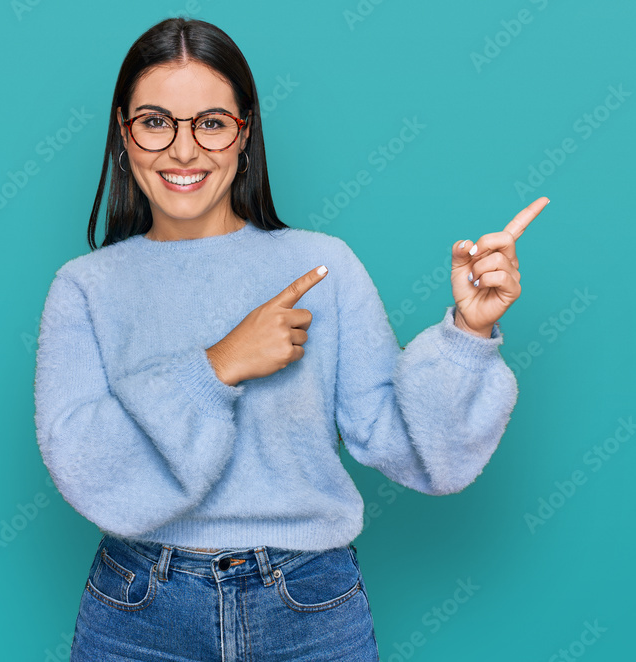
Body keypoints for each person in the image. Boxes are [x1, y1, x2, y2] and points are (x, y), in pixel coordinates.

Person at [33, 16, 547, 662]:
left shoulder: (321, 268)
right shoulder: (84, 289)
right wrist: (219, 366)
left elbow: (415, 450)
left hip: (306, 606)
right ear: (123, 132)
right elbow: (84, 463)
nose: (184, 151)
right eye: (157, 122)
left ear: (243, 134)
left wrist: (470, 331)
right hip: (139, 612)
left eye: (211, 123)